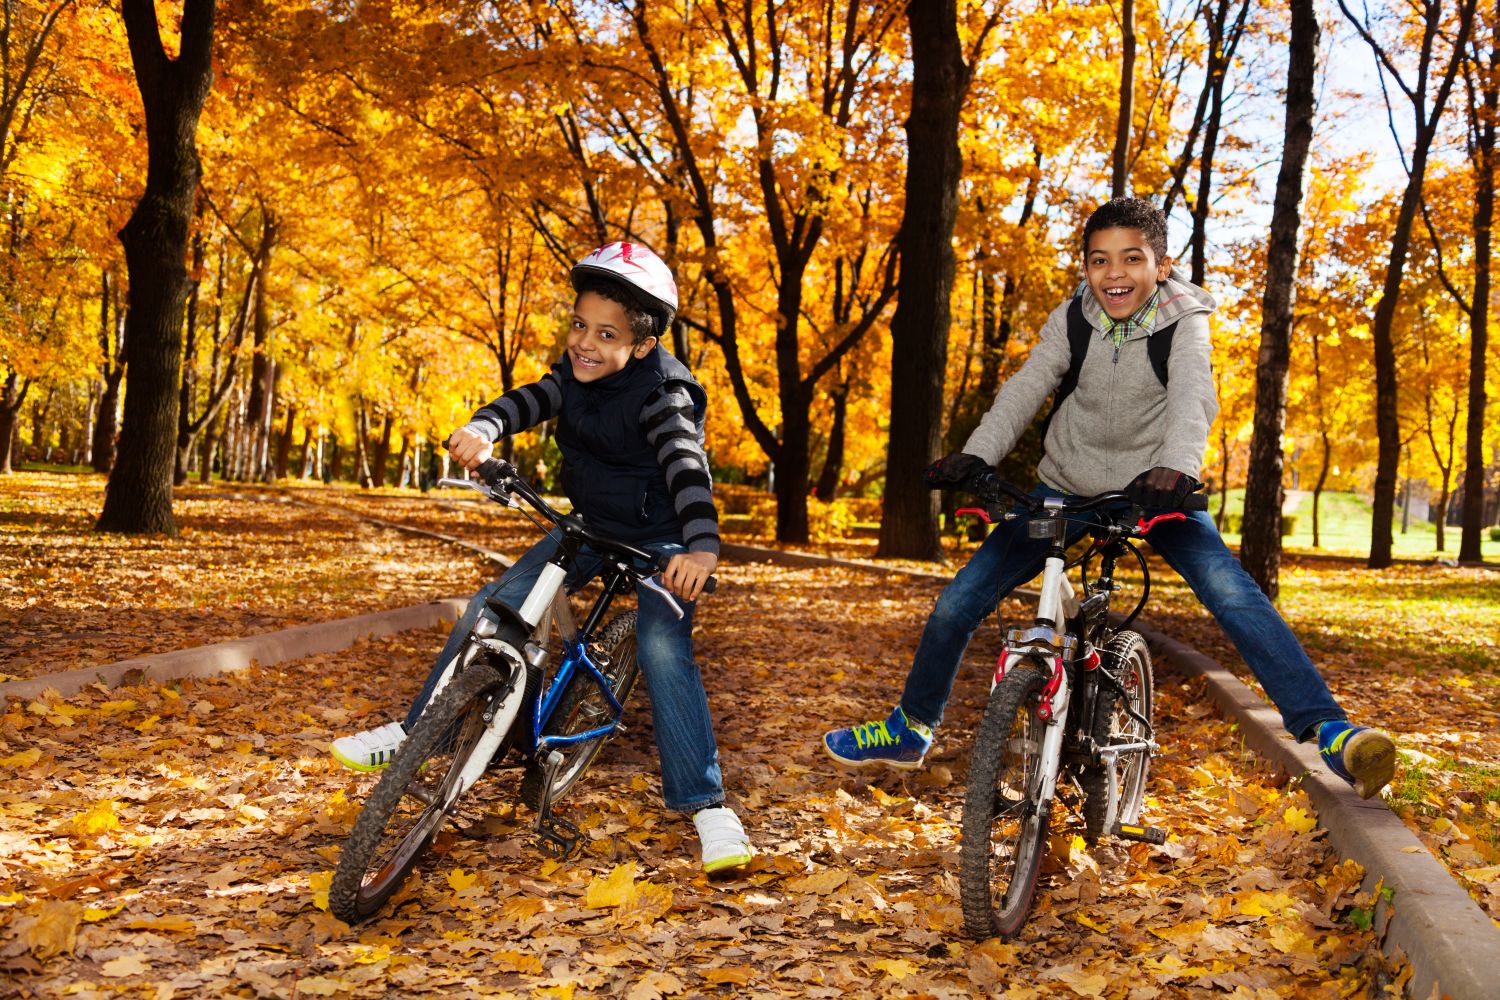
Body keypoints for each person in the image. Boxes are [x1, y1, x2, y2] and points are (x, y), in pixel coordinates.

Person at [823, 197, 1397, 800]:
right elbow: (1027, 386)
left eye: (1132, 258)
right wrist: (979, 453)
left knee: (1232, 593)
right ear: (1086, 268)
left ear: (1161, 265)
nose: (1114, 273)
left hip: (1152, 489)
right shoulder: (1072, 319)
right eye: (1099, 261)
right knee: (955, 603)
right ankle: (911, 728)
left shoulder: (1184, 320)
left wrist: (1175, 468)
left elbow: (1192, 395)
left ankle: (1328, 729)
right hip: (1066, 486)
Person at [331, 241, 752, 874]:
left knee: (664, 649)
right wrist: (485, 428)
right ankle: (420, 733)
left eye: (604, 334)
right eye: (579, 324)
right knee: (491, 607)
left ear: (640, 345)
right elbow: (529, 399)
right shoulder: (575, 373)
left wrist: (701, 547)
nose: (584, 341)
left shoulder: (667, 395)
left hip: (659, 538)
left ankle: (709, 808)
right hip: (588, 523)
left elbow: (686, 468)